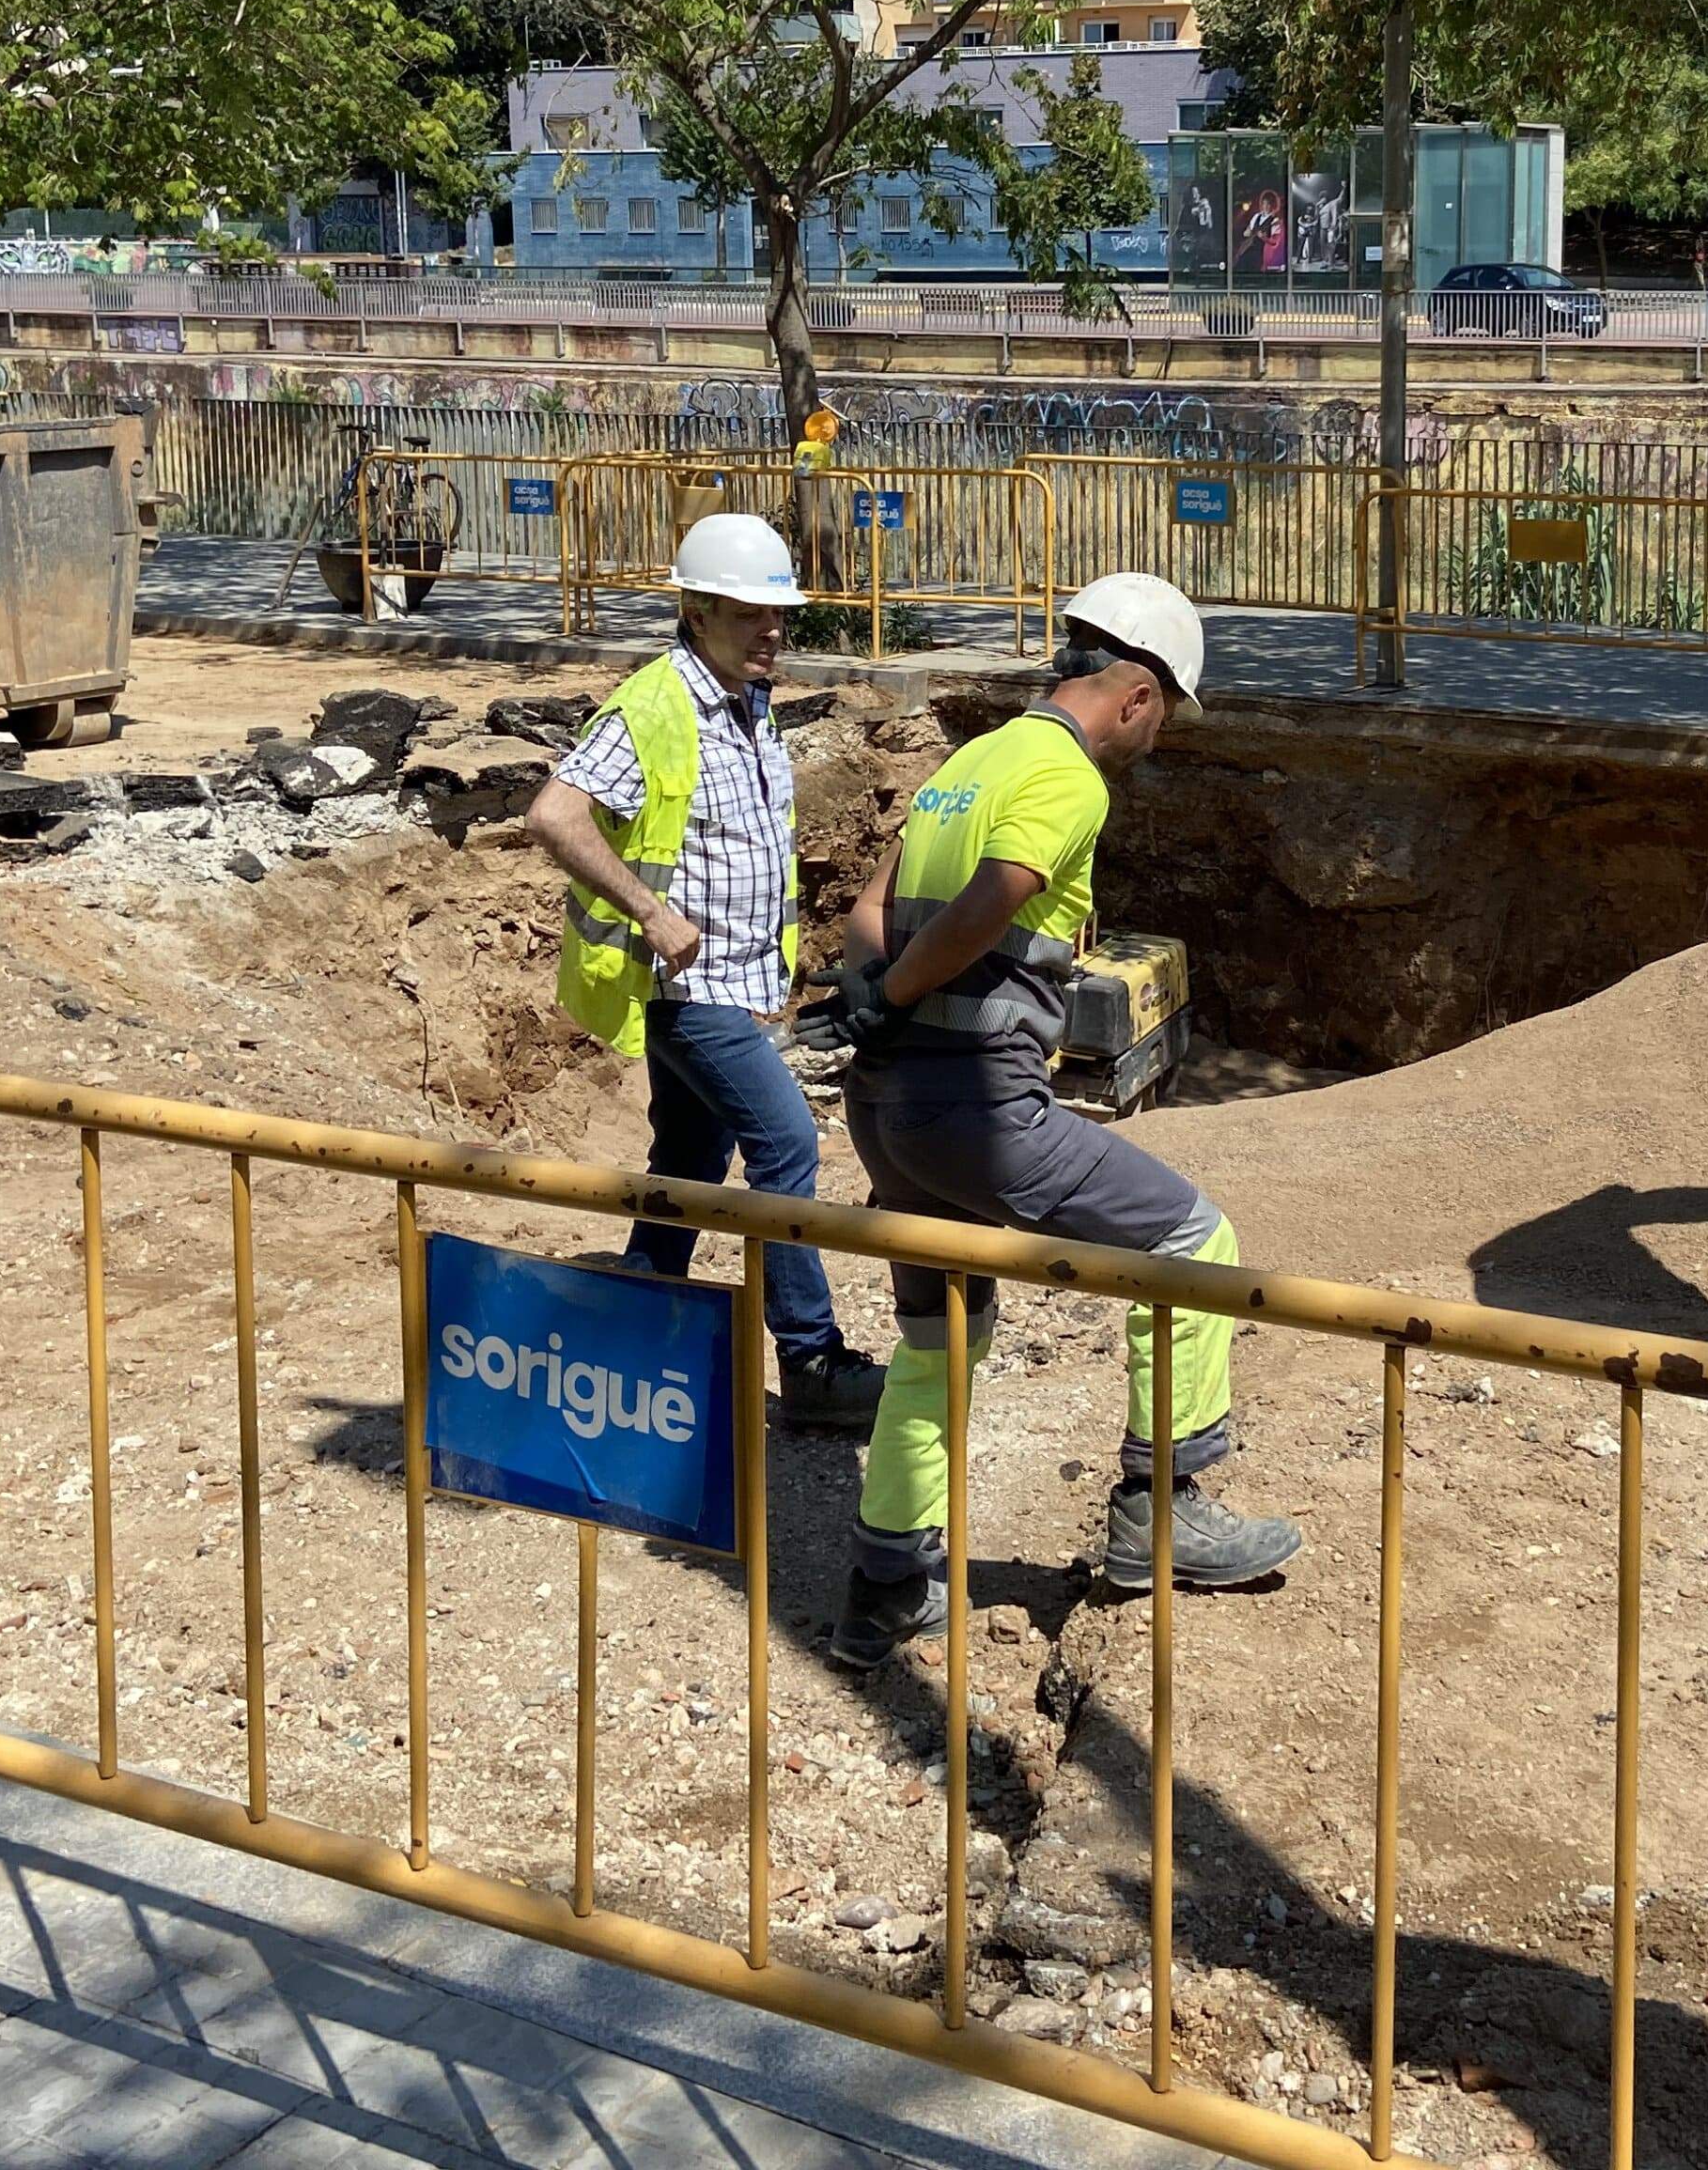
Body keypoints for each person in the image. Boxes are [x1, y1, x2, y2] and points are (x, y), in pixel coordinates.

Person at [807, 574, 1297, 1666]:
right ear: (1133, 691)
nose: (1158, 739)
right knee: (1192, 1242)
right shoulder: (1065, 776)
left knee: (939, 1343)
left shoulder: (968, 763)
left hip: (891, 1107)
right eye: (1164, 715)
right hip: (980, 1105)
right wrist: (897, 999)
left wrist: (881, 999)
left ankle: (884, 1587)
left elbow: (869, 912)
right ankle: (1161, 1514)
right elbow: (1001, 893)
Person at [531, 511, 885, 1432]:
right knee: (787, 1146)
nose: (772, 631)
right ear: (693, 612)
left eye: (779, 615)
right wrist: (650, 911)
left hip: (731, 980)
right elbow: (555, 816)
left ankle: (636, 1327)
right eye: (746, 614)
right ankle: (810, 1362)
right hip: (689, 990)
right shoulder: (655, 706)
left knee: (688, 1155)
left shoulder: (747, 695)